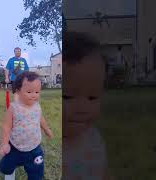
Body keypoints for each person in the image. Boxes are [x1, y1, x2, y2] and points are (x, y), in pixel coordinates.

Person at [63, 32, 111, 179]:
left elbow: (103, 173)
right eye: (68, 96)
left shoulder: (93, 138)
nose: (82, 107)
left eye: (92, 97)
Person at [0, 71, 53, 180]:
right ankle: (13, 164)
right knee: (5, 168)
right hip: (15, 147)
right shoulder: (13, 108)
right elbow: (6, 127)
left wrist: (47, 130)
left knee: (36, 174)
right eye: (29, 91)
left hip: (34, 148)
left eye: (37, 92)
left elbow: (40, 118)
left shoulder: (37, 106)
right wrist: (4, 144)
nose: (34, 95)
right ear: (18, 91)